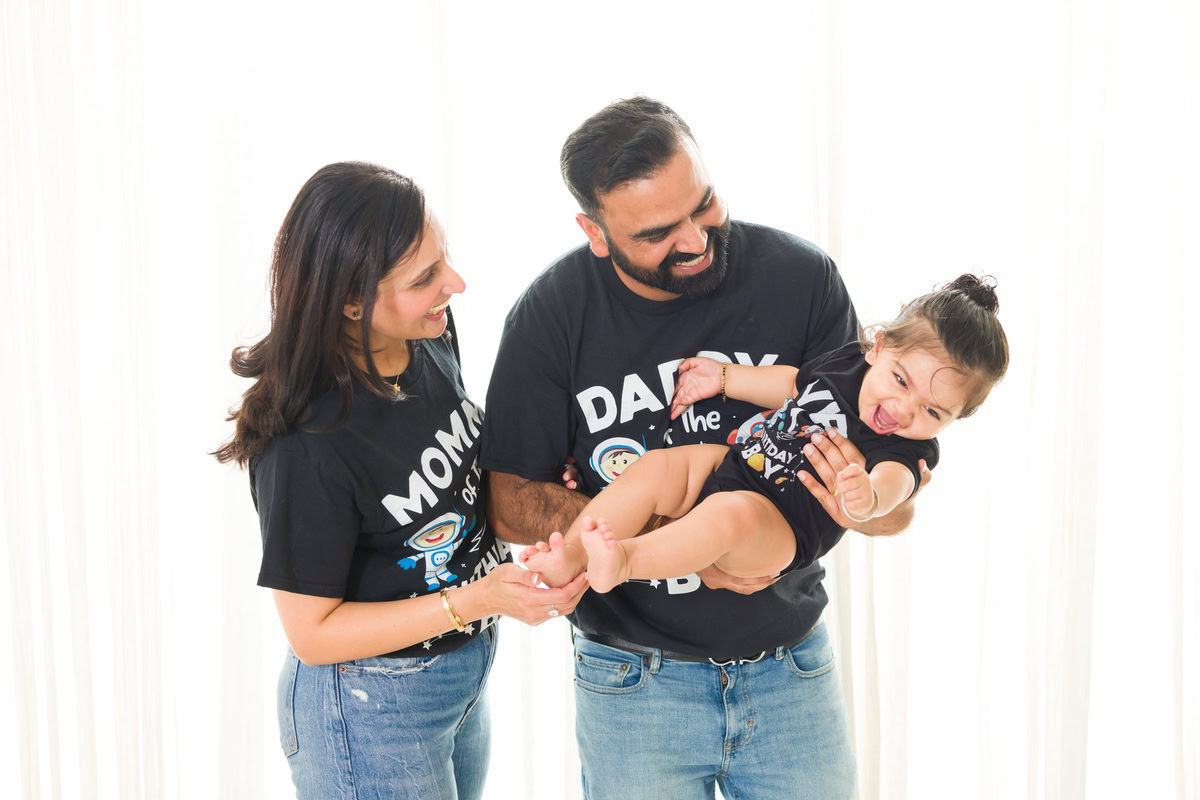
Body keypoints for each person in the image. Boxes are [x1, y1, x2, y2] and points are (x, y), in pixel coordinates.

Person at [480, 97, 928, 798]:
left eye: (706, 206)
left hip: (791, 670)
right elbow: (508, 501)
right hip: (635, 681)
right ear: (595, 232)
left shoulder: (801, 279)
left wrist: (868, 506)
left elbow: (888, 493)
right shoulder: (552, 314)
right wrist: (696, 542)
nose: (695, 240)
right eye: (659, 233)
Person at [213, 162, 587, 800]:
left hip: (460, 672)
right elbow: (312, 634)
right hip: (368, 704)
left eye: (445, 259)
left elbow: (452, 474)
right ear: (352, 302)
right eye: (425, 280)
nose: (457, 284)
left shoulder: (427, 338)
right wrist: (478, 599)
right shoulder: (307, 441)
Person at [522, 275, 1009, 596]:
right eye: (900, 381)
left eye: (932, 410)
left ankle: (622, 562)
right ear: (877, 348)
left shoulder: (907, 450)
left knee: (728, 516)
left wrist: (867, 497)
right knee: (658, 466)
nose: (902, 411)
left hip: (781, 525)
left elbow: (894, 486)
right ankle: (570, 556)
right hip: (738, 466)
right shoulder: (845, 365)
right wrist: (725, 378)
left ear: (954, 418)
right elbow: (791, 384)